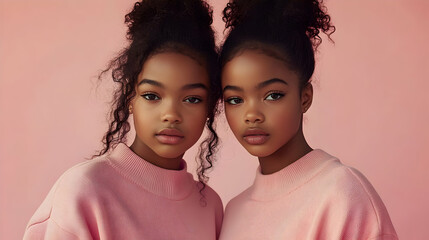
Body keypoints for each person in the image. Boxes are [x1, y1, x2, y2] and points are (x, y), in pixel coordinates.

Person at [23, 0, 223, 239]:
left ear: (210, 106)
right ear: (130, 97)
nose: (171, 114)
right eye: (151, 96)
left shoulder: (209, 206)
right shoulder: (84, 190)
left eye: (192, 99)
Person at [218, 0, 398, 239]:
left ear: (305, 97)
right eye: (234, 99)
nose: (251, 115)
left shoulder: (342, 193)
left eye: (273, 95)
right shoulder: (233, 211)